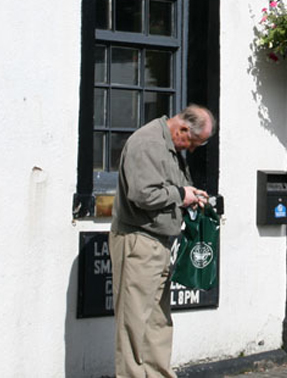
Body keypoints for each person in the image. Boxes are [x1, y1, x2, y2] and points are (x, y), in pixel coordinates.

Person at [110, 105, 216, 378]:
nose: (191, 149)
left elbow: (171, 187)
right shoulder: (148, 143)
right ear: (182, 129)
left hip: (157, 242)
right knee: (133, 323)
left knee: (158, 320)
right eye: (193, 142)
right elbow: (142, 194)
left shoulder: (168, 146)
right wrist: (181, 194)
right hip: (138, 240)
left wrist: (191, 194)